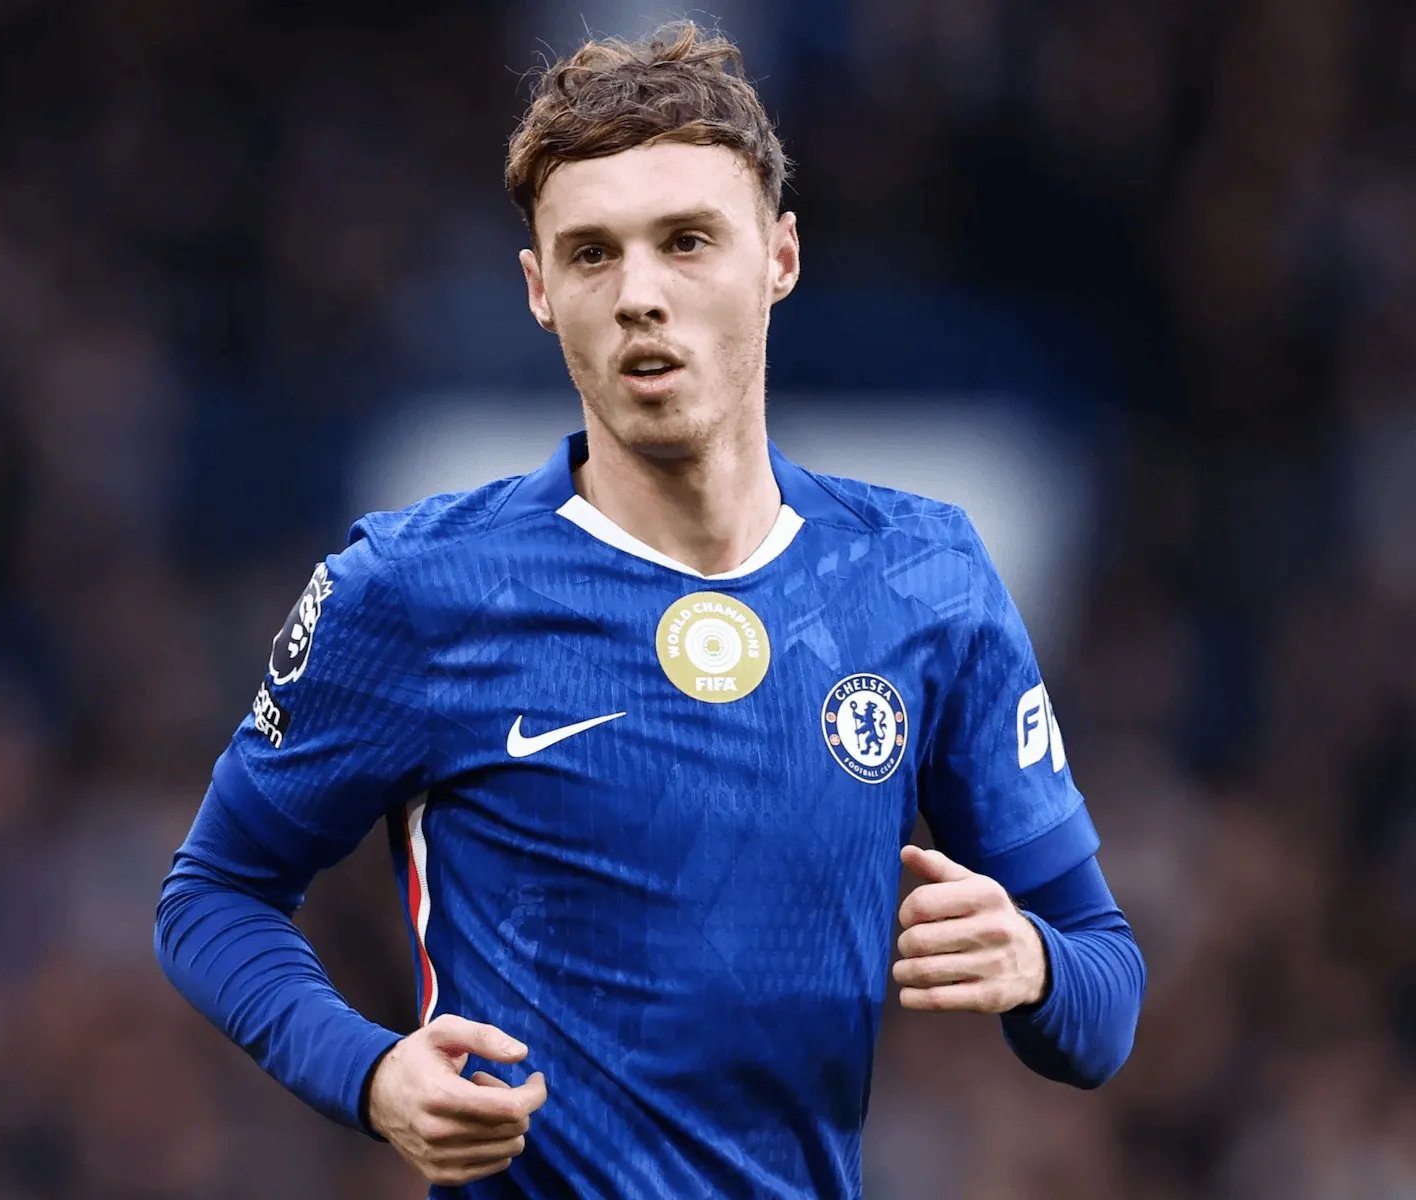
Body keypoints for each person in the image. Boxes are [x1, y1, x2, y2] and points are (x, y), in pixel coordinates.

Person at [154, 21, 1145, 1198]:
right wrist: (369, 1075)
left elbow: (1104, 995)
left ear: (779, 257)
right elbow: (213, 897)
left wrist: (1035, 964)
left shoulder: (923, 577)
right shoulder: (416, 589)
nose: (639, 297)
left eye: (686, 242)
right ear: (538, 289)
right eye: (591, 254)